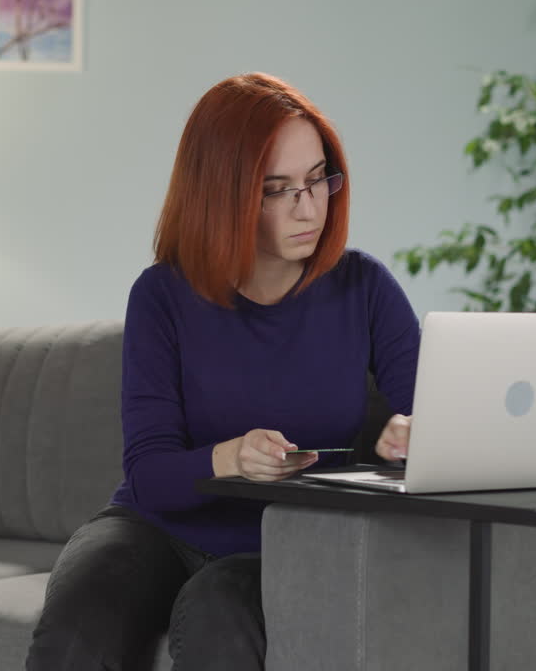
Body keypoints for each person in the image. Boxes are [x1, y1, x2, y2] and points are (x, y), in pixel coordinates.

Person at [25, 72, 421, 671]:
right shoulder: (161, 296)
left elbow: (433, 415)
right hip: (152, 528)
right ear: (223, 193)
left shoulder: (364, 289)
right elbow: (151, 474)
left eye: (318, 181)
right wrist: (230, 457)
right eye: (279, 189)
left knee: (217, 615)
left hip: (284, 543)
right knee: (79, 623)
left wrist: (417, 434)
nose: (308, 207)